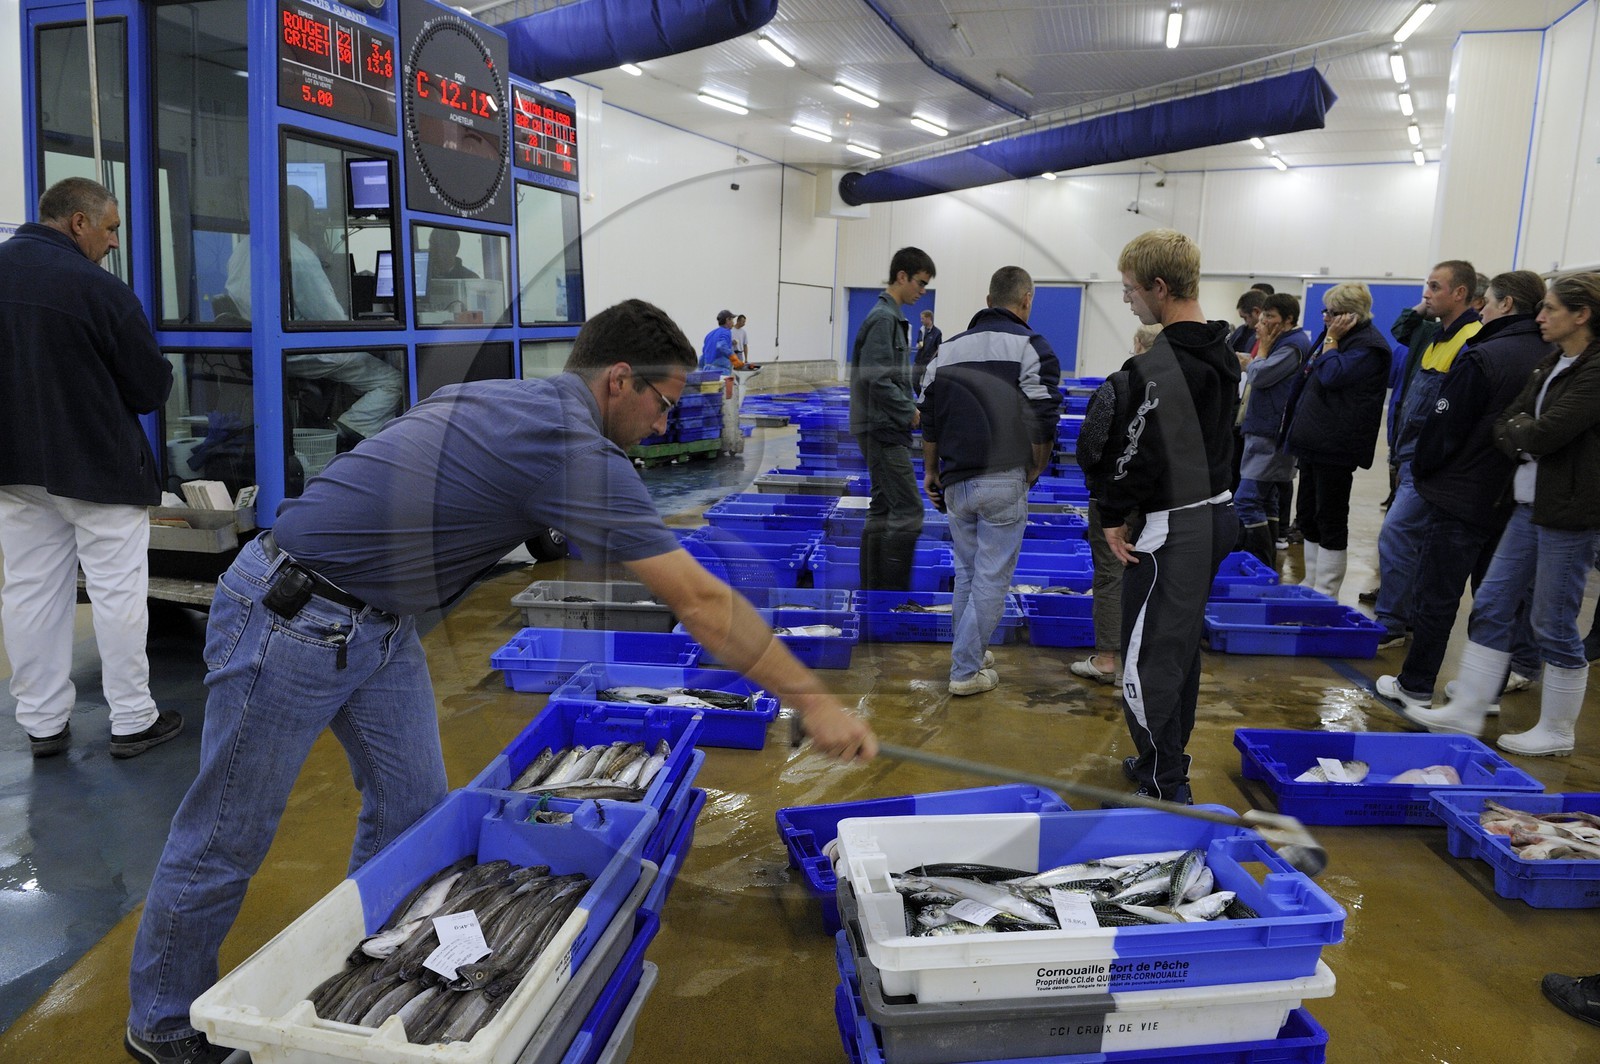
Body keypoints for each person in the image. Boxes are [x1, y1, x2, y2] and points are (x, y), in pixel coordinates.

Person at [123, 298, 876, 1064]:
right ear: (621, 380)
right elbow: (701, 602)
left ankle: (372, 980)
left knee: (414, 811)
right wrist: (811, 697)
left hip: (379, 621)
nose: (663, 424)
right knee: (226, 835)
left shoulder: (515, 396)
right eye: (664, 404)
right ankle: (160, 1023)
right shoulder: (571, 448)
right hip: (292, 613)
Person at [0, 177, 179, 760]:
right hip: (99, 468)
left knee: (30, 591)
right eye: (111, 229)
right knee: (117, 592)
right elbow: (151, 388)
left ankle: (43, 724)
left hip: (16, 468)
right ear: (78, 222)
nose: (114, 243)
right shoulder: (98, 289)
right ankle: (132, 719)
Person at [1399, 272, 1600, 756]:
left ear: (1582, 315)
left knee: (1552, 620)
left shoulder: (1594, 371)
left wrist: (1525, 431)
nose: (1540, 316)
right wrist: (1524, 430)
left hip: (1567, 513)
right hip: (1525, 504)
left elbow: (1545, 432)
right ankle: (1468, 707)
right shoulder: (1553, 360)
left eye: (1550, 309)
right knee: (1491, 602)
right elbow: (1506, 422)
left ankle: (1556, 729)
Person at [1101, 229, 1239, 805]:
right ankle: (1164, 759)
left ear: (1159, 287)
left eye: (1131, 290)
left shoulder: (1163, 363)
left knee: (1145, 660)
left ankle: (1166, 782)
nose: (1128, 300)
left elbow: (1135, 451)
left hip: (1175, 529)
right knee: (1176, 646)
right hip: (1214, 514)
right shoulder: (1223, 351)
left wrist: (1112, 513)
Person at [1375, 271, 1551, 712]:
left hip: (1462, 493)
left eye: (1487, 302)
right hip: (1513, 498)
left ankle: (1416, 684)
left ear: (1506, 304)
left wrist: (1429, 473)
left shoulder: (1485, 354)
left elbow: (1444, 426)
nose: (1481, 309)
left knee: (1439, 594)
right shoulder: (1552, 359)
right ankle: (1481, 693)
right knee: (1496, 600)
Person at [919, 266, 1060, 695]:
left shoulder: (946, 350)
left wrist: (930, 471)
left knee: (967, 573)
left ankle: (972, 654)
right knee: (991, 577)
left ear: (987, 301)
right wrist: (1035, 467)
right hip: (1003, 477)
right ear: (1027, 300)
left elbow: (927, 416)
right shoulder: (1032, 346)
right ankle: (964, 671)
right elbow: (1043, 416)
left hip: (956, 480)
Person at [224, 187, 403, 443]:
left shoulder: (242, 249)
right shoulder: (297, 253)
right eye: (312, 215)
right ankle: (341, 436)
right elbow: (331, 321)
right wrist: (378, 328)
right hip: (299, 351)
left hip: (259, 351)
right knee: (392, 380)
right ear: (298, 215)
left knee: (358, 366)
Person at [1373, 260, 1482, 647]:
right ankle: (1407, 614)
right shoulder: (1437, 335)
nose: (1427, 294)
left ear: (1460, 294)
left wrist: (1423, 463)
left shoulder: (1470, 340)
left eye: (1435, 287)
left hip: (1429, 462)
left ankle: (1390, 622)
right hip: (1411, 457)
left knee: (1397, 532)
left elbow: (1451, 415)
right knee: (1412, 539)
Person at [1282, 286, 1391, 599]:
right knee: (1308, 513)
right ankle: (1313, 580)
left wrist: (1331, 340)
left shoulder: (1369, 347)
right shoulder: (1340, 338)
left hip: (1337, 446)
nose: (1325, 317)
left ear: (1348, 316)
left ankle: (1327, 589)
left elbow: (1331, 375)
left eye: (1330, 312)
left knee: (1330, 516)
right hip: (1315, 442)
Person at [1072, 322, 1161, 685]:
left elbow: (1089, 445)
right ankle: (1144, 660)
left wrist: (1098, 478)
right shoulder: (1179, 388)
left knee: (1110, 575)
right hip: (1159, 503)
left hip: (1112, 501)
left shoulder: (1116, 386)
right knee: (1154, 575)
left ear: (1136, 344)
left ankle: (1108, 658)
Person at [850, 247, 936, 592]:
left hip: (882, 423)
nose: (922, 290)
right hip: (882, 426)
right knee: (909, 511)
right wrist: (908, 410)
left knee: (884, 507)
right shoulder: (885, 319)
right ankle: (893, 598)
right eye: (920, 282)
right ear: (901, 276)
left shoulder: (892, 317)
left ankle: (875, 595)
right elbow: (876, 377)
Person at [1235, 293, 1310, 567]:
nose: (1264, 322)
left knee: (1246, 500)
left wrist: (1262, 351)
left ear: (1289, 319)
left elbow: (1259, 375)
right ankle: (1264, 566)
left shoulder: (1293, 345)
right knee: (1265, 501)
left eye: (1271, 317)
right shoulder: (1284, 342)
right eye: (1263, 316)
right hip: (1262, 428)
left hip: (1271, 433)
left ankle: (1259, 560)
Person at [911, 308, 942, 392]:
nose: (921, 320)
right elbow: (919, 342)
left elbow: (939, 348)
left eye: (923, 318)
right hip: (919, 361)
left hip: (929, 363)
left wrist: (934, 361)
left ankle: (923, 401)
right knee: (914, 382)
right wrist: (918, 345)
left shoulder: (937, 332)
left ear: (929, 318)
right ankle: (919, 397)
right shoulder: (921, 330)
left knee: (926, 385)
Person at [1226, 289, 1265, 353]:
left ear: (1256, 312)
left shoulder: (1268, 337)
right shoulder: (1240, 331)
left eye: (1245, 318)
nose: (1246, 323)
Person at [700, 309, 734, 375]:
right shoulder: (726, 332)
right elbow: (721, 346)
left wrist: (700, 369)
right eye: (732, 320)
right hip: (720, 372)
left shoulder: (709, 334)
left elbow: (703, 355)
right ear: (727, 320)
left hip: (706, 370)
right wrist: (735, 359)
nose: (733, 322)